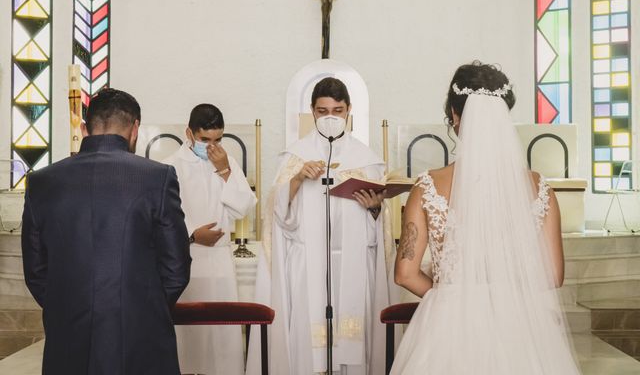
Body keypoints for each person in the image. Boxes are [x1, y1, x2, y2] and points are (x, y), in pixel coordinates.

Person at [391, 62, 580, 374]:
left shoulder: (426, 187)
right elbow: (554, 275)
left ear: (454, 115)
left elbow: (405, 273)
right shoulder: (539, 188)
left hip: (449, 325)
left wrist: (453, 296)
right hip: (518, 323)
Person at [21, 88, 191, 375]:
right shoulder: (158, 177)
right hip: (140, 338)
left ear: (85, 128)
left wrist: (69, 304)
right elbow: (176, 267)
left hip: (68, 335)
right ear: (135, 128)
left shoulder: (41, 182)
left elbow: (36, 271)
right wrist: (140, 309)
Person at [248, 77, 394, 375]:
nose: (330, 117)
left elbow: (382, 226)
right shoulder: (294, 158)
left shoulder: (368, 161)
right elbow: (279, 220)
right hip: (307, 266)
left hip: (353, 263)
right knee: (308, 342)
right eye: (322, 110)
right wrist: (298, 179)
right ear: (312, 111)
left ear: (349, 110)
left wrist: (376, 208)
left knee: (354, 338)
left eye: (337, 111)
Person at [165, 104, 256, 375]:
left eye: (218, 140)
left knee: (221, 337)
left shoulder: (227, 163)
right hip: (186, 262)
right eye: (205, 140)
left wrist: (225, 171)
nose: (212, 146)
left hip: (220, 262)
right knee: (188, 340)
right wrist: (192, 235)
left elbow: (243, 207)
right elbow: (163, 219)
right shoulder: (170, 166)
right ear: (189, 134)